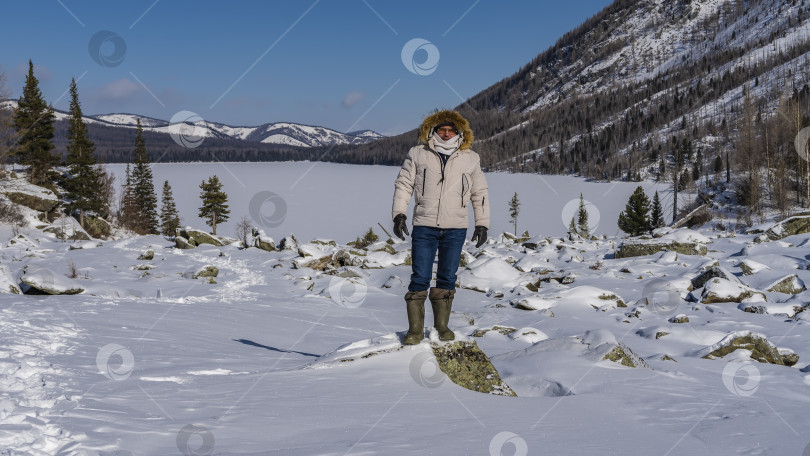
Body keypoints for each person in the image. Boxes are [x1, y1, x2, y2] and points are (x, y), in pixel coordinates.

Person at [391, 109, 489, 345]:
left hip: (456, 228)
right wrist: (399, 214)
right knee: (420, 277)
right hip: (424, 225)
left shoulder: (470, 158)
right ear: (432, 131)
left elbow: (480, 192)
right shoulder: (418, 154)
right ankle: (415, 331)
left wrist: (482, 223)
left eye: (451, 130)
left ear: (459, 133)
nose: (446, 134)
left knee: (447, 276)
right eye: (441, 130)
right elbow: (404, 185)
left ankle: (441, 327)